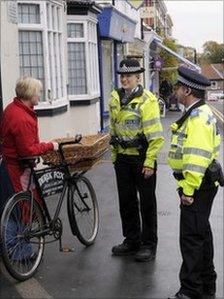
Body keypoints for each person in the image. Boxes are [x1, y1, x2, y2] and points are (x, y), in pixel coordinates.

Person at [167, 66, 222, 299]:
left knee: (191, 239)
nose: (176, 90)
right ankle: (206, 286)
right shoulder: (198, 112)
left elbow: (196, 158)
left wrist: (188, 190)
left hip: (196, 187)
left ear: (187, 89)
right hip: (202, 185)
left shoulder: (198, 118)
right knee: (201, 236)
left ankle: (191, 291)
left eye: (179, 87)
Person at [109, 58, 164, 262]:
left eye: (128, 76)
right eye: (122, 76)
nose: (125, 79)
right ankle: (132, 241)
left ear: (137, 77)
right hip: (122, 158)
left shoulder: (147, 100)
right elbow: (113, 129)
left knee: (147, 203)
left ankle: (149, 244)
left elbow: (156, 135)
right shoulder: (115, 97)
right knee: (127, 201)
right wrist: (114, 156)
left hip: (142, 157)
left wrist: (150, 161)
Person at [1, 77, 58, 260]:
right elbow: (28, 150)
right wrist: (50, 146)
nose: (39, 95)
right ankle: (19, 253)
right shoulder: (21, 118)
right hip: (16, 169)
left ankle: (12, 249)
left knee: (12, 207)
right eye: (38, 91)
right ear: (30, 93)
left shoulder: (14, 108)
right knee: (18, 209)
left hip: (11, 166)